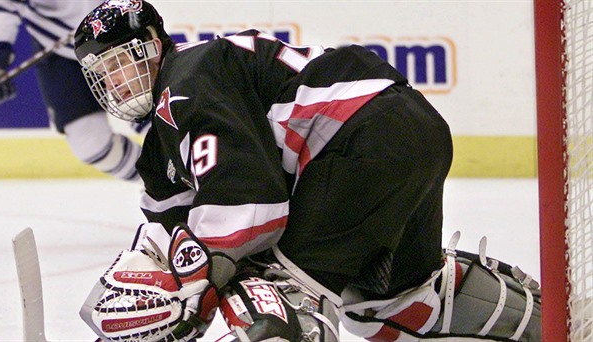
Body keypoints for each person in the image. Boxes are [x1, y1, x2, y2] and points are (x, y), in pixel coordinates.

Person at [73, 1, 541, 341]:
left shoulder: (186, 81)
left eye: (121, 62)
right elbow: (169, 233)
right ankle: (556, 325)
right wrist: (169, 289)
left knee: (268, 292)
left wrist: (202, 285)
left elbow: (251, 207)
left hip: (364, 142)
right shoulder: (162, 145)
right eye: (103, 73)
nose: (116, 81)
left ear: (154, 45)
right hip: (408, 132)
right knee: (394, 304)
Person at [0, 0, 143, 182]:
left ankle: (169, 178)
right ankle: (161, 185)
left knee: (151, 114)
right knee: (90, 143)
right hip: (59, 42)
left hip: (120, 25)